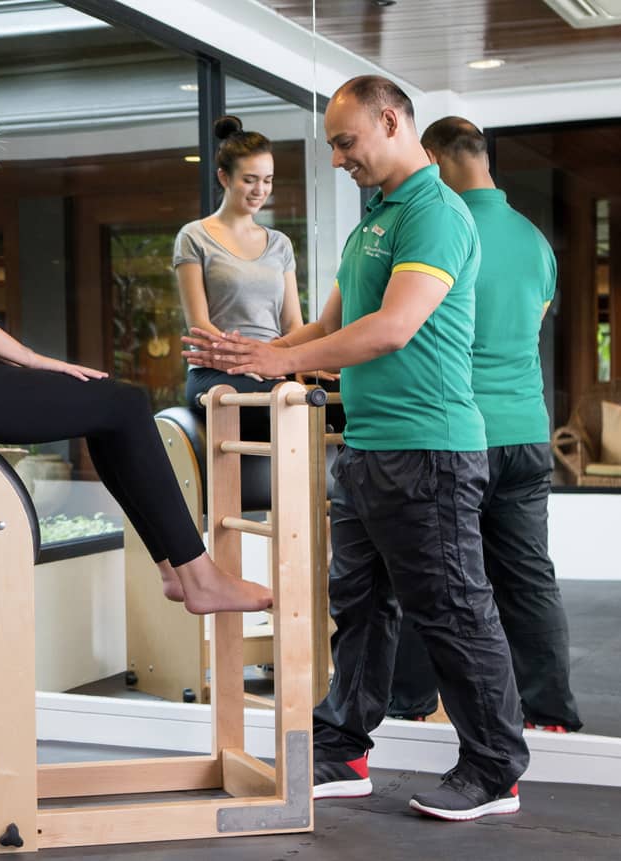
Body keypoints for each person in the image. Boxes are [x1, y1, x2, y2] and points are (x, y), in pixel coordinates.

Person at [183, 75, 529, 822]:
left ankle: (495, 767)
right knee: (360, 605)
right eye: (335, 145)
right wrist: (256, 354)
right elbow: (328, 327)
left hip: (429, 447)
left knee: (453, 609)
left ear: (392, 121)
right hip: (369, 447)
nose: (339, 158)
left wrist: (281, 362)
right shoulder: (374, 218)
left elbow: (392, 328)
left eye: (346, 141)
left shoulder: (435, 214)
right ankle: (343, 746)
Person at [0, 8, 270, 615]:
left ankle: (179, 572)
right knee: (124, 403)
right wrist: (35, 361)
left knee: (110, 404)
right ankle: (195, 573)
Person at [387, 117, 582, 734]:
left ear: (437, 161)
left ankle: (410, 704)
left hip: (458, 434)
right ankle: (549, 712)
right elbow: (527, 329)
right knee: (528, 577)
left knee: (428, 575)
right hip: (526, 431)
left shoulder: (440, 226)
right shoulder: (534, 241)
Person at [175, 116, 302, 443]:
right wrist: (248, 361)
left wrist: (305, 361)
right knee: (284, 404)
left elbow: (293, 325)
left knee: (343, 400)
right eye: (250, 180)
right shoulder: (195, 237)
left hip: (274, 365)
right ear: (224, 177)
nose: (261, 190)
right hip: (216, 370)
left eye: (268, 180)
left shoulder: (280, 244)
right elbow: (199, 325)